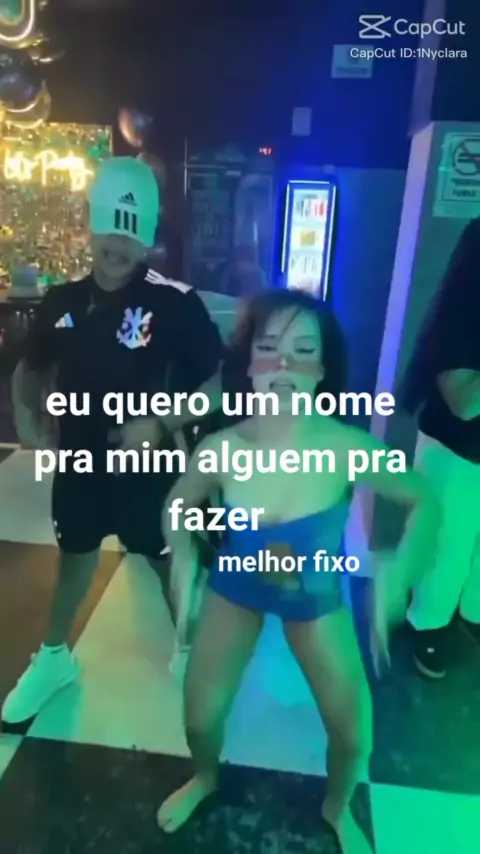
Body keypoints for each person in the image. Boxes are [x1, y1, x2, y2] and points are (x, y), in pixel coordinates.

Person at [157, 289, 441, 853]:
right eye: (268, 348)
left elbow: (424, 501)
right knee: (200, 716)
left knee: (353, 732)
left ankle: (337, 807)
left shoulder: (345, 446)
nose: (283, 364)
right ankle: (205, 777)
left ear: (323, 370)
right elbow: (178, 503)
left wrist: (400, 572)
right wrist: (183, 555)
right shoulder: (222, 447)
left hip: (313, 599)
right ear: (248, 364)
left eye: (303, 350)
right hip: (235, 589)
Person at [1, 156, 224, 726]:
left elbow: (216, 387)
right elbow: (30, 367)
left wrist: (162, 423)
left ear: (146, 235)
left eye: (131, 232)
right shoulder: (62, 302)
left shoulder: (175, 302)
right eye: (110, 229)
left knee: (166, 560)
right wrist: (26, 416)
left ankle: (191, 652)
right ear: (91, 225)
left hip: (150, 470)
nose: (118, 245)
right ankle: (55, 658)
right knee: (75, 558)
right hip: (80, 463)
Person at [401, 218, 480, 678]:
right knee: (447, 546)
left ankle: (472, 614)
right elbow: (464, 402)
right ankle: (427, 623)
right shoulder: (463, 312)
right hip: (457, 445)